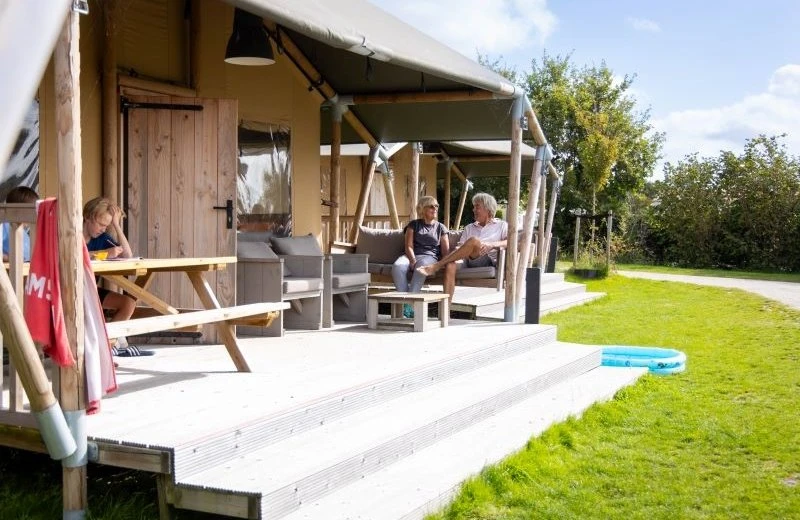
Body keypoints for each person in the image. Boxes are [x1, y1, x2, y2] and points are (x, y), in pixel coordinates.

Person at [83, 197, 150, 357]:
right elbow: (76, 254)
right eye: (101, 224)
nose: (103, 229)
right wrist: (104, 254)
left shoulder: (102, 238)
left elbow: (127, 255)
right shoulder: (73, 234)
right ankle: (104, 348)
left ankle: (107, 345)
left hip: (91, 291)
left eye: (106, 225)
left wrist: (116, 225)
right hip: (71, 292)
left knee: (128, 303)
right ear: (87, 217)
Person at [416, 192, 508, 301]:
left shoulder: (501, 225)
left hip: (486, 259)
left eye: (477, 207)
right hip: (467, 260)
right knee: (450, 265)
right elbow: (460, 247)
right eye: (474, 207)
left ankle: (436, 266)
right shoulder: (469, 227)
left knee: (474, 241)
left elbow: (510, 242)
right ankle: (447, 307)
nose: (473, 210)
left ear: (487, 208)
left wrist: (492, 244)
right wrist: (457, 255)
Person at [392, 196, 449, 317]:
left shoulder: (441, 227)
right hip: (411, 255)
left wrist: (442, 265)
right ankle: (407, 302)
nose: (435, 208)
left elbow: (446, 252)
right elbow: (408, 246)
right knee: (397, 266)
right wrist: (412, 260)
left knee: (421, 267)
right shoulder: (413, 225)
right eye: (431, 206)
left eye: (436, 206)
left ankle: (408, 305)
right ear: (422, 209)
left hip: (429, 257)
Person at [1, 186, 38, 262]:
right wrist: (7, 258)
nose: (34, 215)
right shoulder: (5, 225)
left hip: (26, 266)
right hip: (12, 267)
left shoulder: (24, 231)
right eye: (30, 212)